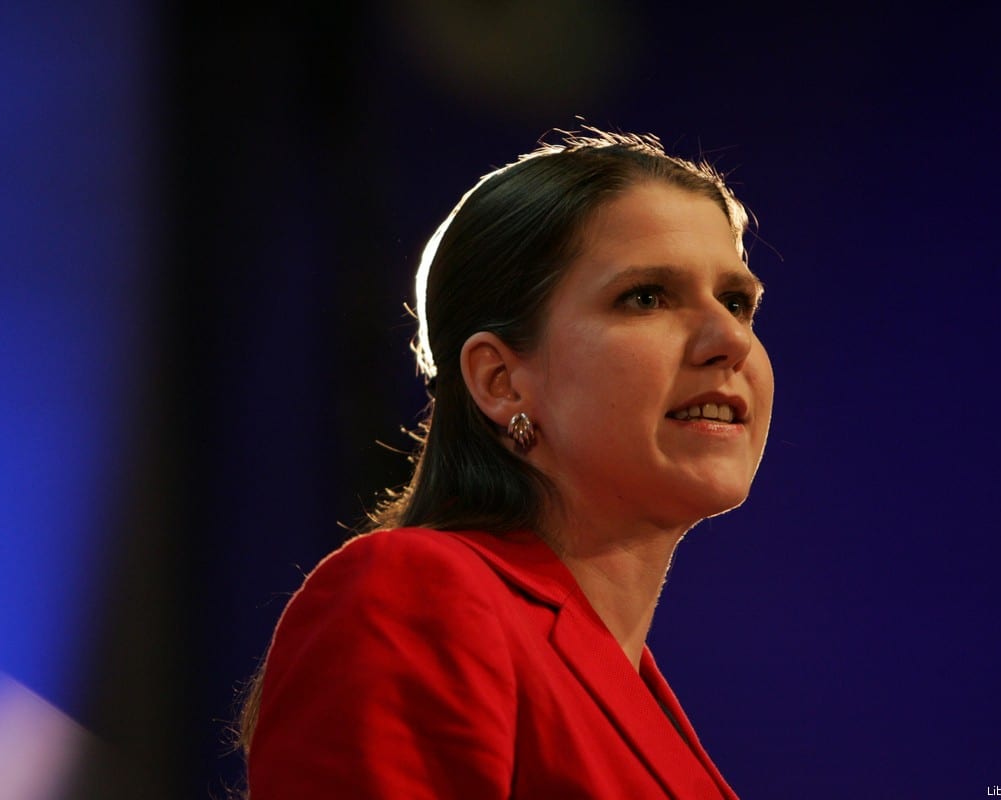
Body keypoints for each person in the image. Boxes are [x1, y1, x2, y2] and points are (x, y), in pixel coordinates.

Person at [241, 128, 773, 799]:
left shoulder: (647, 705)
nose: (729, 340)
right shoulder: (411, 593)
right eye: (646, 296)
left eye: (737, 302)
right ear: (500, 381)